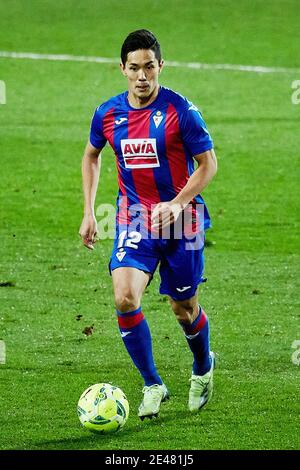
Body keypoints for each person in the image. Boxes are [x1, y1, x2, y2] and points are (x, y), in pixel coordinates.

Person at [79, 29, 218, 420]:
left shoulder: (181, 111)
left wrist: (177, 203)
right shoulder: (108, 113)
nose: (143, 76)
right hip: (134, 219)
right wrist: (90, 210)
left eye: (150, 67)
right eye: (135, 68)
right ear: (122, 69)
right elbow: (92, 155)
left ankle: (203, 366)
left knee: (184, 308)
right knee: (124, 297)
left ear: (161, 67)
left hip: (182, 220)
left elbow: (209, 164)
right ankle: (152, 383)